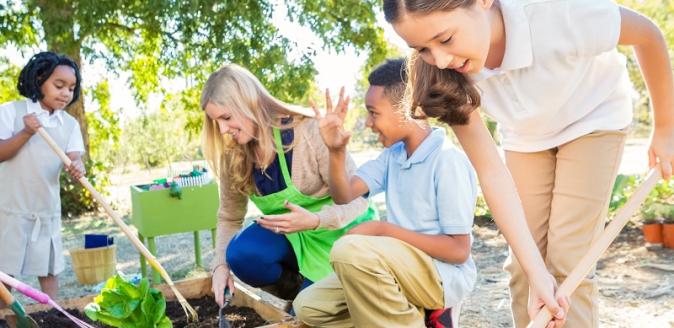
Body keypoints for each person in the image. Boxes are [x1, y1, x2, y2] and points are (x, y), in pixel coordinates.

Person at [382, 0, 674, 327]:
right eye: (422, 49)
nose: (440, 59)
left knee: (568, 265)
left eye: (446, 39)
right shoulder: (443, 74)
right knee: (525, 267)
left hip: (593, 120)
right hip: (526, 135)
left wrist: (664, 127)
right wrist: (536, 273)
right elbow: (491, 172)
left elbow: (647, 35)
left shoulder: (556, 12)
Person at [293, 58, 478, 328]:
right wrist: (335, 151)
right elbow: (343, 194)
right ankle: (407, 316)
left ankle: (426, 314)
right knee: (309, 307)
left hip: (441, 275)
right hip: (396, 268)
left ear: (409, 108)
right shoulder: (393, 156)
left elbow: (458, 251)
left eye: (373, 112)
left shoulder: (447, 160)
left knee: (349, 251)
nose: (368, 123)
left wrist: (384, 229)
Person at [201, 64, 378, 307]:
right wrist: (220, 266)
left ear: (248, 103)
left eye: (226, 117)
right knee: (241, 253)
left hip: (343, 234)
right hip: (296, 239)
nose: (222, 129)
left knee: (324, 314)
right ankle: (300, 294)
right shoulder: (234, 156)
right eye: (216, 121)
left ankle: (327, 294)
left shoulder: (309, 131)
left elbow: (358, 200)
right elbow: (229, 218)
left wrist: (316, 220)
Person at [0, 51, 86, 299]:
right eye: (58, 85)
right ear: (39, 79)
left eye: (71, 88)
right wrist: (26, 132)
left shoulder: (68, 124)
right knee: (6, 275)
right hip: (10, 209)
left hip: (45, 209)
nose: (65, 93)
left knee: (49, 271)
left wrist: (77, 166)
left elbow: (74, 158)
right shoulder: (10, 112)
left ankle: (52, 315)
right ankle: (9, 319)